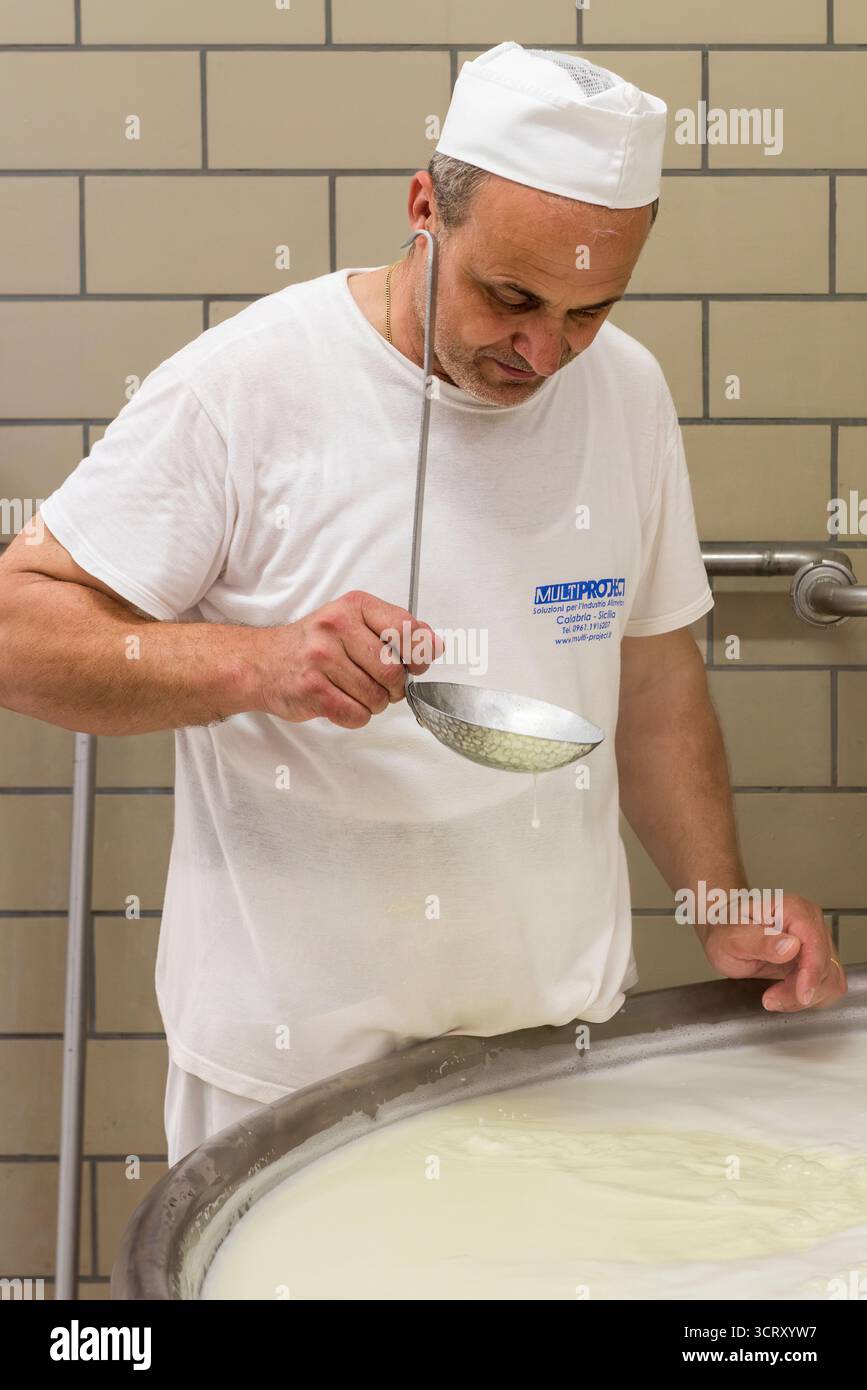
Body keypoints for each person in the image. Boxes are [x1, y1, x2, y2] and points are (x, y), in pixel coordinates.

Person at [0, 44, 844, 1166]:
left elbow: (650, 678)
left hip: (556, 1053)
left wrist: (718, 899)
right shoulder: (246, 385)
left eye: (589, 310)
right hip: (294, 1079)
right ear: (423, 210)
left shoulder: (626, 392)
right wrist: (259, 664)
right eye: (511, 297)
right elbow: (17, 630)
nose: (543, 351)